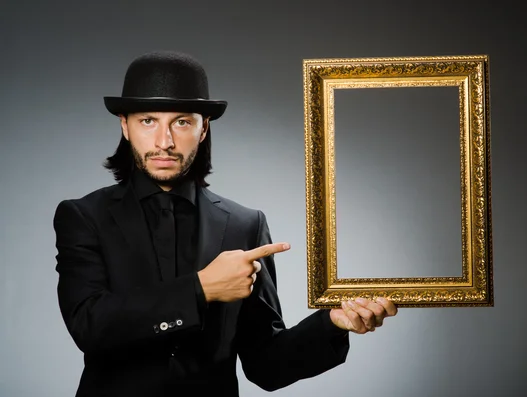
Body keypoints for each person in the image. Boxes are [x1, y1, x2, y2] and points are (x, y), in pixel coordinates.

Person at [53, 51, 397, 397]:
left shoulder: (244, 225)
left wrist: (332, 323)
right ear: (125, 125)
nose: (164, 141)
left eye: (182, 122)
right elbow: (89, 326)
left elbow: (267, 365)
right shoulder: (84, 217)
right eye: (148, 121)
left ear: (204, 129)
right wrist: (201, 288)